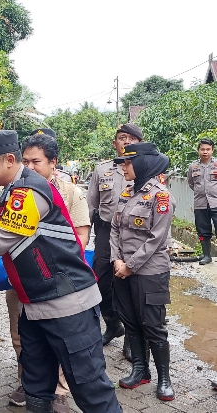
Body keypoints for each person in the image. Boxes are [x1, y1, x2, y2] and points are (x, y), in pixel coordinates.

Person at [0, 130, 122, 413]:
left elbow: (0, 237)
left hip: (67, 306)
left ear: (8, 160)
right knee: (36, 386)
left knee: (90, 389)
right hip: (34, 306)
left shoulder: (30, 192)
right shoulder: (10, 193)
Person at [8, 132, 91, 413]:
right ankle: (29, 381)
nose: (30, 167)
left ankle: (60, 390)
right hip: (21, 280)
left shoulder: (69, 192)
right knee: (22, 335)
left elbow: (81, 234)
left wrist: (54, 264)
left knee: (61, 339)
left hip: (57, 282)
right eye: (26, 161)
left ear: (53, 163)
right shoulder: (15, 190)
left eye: (37, 162)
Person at [110, 142, 175, 401]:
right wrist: (116, 260)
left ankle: (164, 379)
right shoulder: (126, 193)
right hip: (122, 269)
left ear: (142, 164)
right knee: (131, 322)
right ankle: (140, 370)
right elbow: (115, 229)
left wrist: (129, 265)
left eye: (127, 163)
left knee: (153, 326)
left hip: (150, 272)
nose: (123, 167)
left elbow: (157, 238)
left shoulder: (161, 196)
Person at [87, 123, 142, 352]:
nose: (126, 141)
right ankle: (112, 324)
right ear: (115, 144)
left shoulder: (147, 169)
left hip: (134, 235)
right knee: (101, 281)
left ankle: (131, 338)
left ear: (140, 142)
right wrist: (82, 238)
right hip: (105, 231)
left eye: (131, 138)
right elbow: (91, 204)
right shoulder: (102, 170)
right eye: (122, 138)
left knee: (130, 284)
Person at [187, 138, 217, 265]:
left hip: (216, 202)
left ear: (212, 150)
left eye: (208, 149)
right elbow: (191, 183)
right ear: (198, 150)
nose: (205, 152)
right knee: (203, 230)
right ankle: (207, 256)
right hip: (200, 203)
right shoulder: (193, 166)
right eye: (202, 149)